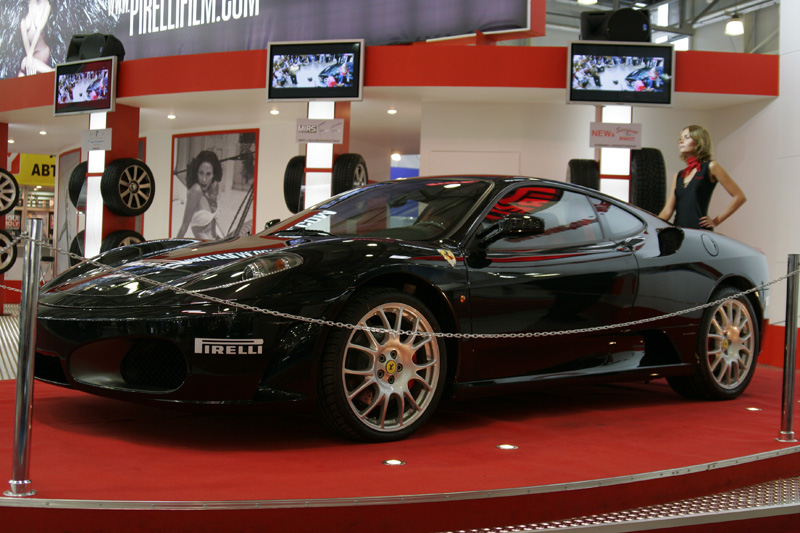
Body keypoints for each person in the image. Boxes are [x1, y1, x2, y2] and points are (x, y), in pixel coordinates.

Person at [658, 125, 746, 231]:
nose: (681, 141)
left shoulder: (711, 166)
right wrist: (652, 227)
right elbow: (667, 211)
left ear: (699, 142)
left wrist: (715, 221)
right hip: (679, 233)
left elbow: (739, 197)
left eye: (687, 137)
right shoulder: (679, 175)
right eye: (680, 138)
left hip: (700, 232)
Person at [177, 150, 223, 239]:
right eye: (201, 173)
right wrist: (173, 246)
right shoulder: (196, 190)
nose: (204, 179)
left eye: (208, 174)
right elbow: (184, 226)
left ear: (213, 174)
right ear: (196, 173)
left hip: (217, 241)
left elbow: (212, 230)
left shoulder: (210, 190)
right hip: (206, 246)